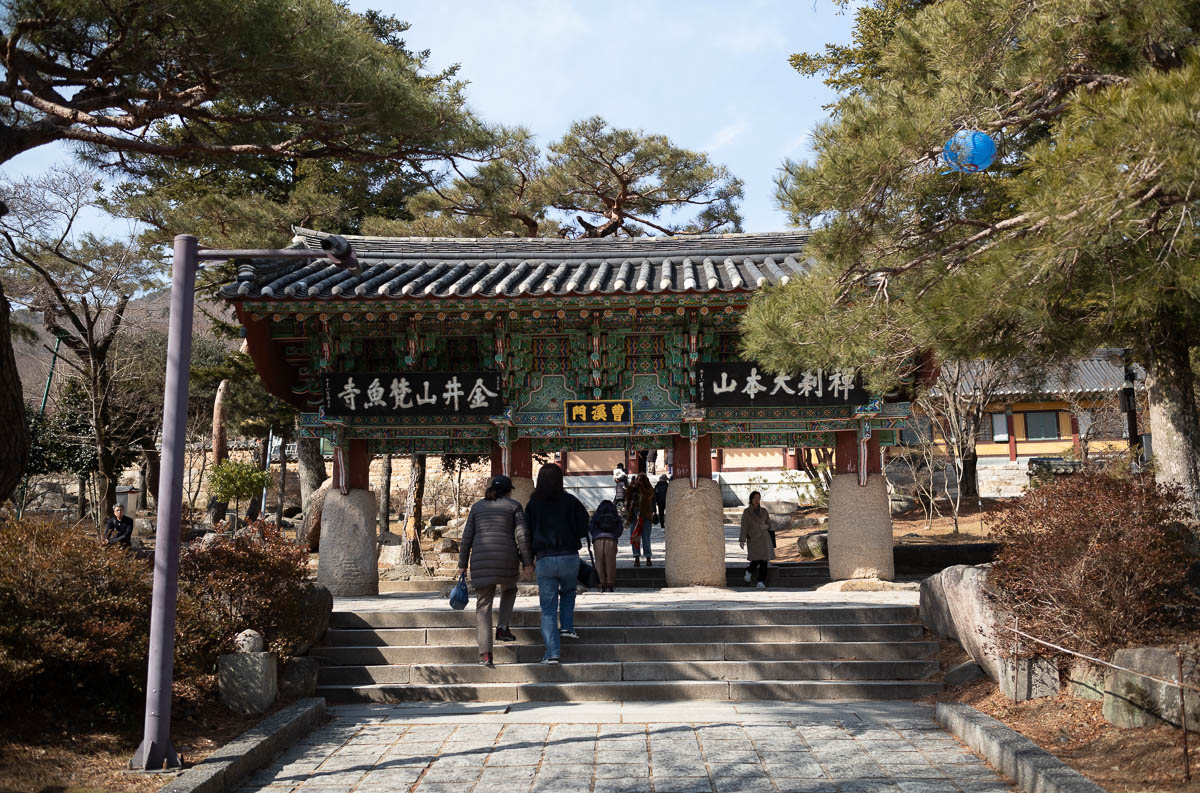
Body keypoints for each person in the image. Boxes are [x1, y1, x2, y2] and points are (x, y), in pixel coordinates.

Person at [457, 475, 534, 668]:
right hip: (506, 559)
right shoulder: (514, 506)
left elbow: (467, 537)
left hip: (481, 561)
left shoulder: (477, 507)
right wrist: (527, 562)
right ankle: (502, 627)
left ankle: (485, 654)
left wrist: (462, 564)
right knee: (510, 589)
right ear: (509, 491)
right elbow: (522, 535)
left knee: (483, 606)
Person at [525, 464, 589, 664]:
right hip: (569, 557)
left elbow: (526, 534)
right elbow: (583, 526)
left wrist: (527, 561)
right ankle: (567, 627)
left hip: (545, 559)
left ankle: (552, 653)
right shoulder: (571, 501)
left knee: (548, 607)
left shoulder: (533, 504)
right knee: (569, 592)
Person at [739, 491, 774, 588]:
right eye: (754, 498)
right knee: (756, 559)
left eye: (758, 498)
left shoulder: (764, 511)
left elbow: (769, 524)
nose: (756, 500)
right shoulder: (747, 512)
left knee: (764, 560)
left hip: (764, 538)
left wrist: (766, 526)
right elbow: (744, 526)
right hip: (753, 538)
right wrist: (742, 539)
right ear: (751, 499)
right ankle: (749, 570)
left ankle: (760, 581)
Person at [588, 499, 623, 592]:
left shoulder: (597, 514)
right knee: (611, 562)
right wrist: (615, 535)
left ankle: (601, 584)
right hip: (611, 539)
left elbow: (591, 526)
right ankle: (610, 585)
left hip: (598, 539)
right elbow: (620, 527)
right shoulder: (614, 514)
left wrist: (596, 535)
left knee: (599, 562)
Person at [624, 473, 656, 567]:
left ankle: (648, 557)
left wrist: (641, 487)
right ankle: (636, 557)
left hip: (646, 516)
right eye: (638, 480)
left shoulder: (649, 489)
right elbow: (627, 499)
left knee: (646, 538)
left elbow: (648, 497)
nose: (639, 482)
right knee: (635, 537)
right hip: (634, 516)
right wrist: (630, 487)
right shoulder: (633, 490)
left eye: (641, 480)